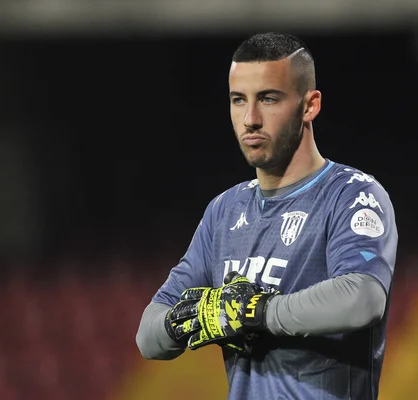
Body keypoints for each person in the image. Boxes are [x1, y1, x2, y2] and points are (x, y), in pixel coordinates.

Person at [136, 32, 398, 400]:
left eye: (269, 99)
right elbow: (148, 336)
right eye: (238, 100)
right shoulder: (224, 211)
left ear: (309, 105)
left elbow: (362, 299)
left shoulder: (351, 194)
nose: (250, 119)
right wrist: (198, 319)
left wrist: (257, 313)